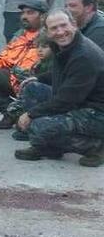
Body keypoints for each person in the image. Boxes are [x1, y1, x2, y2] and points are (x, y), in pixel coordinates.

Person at [14, 10, 104, 167]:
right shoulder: (62, 46)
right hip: (79, 102)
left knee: (39, 125)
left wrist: (30, 114)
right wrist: (38, 78)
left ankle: (96, 146)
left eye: (64, 25)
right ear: (47, 32)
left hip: (97, 113)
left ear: (74, 25)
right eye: (54, 28)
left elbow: (66, 101)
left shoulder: (84, 55)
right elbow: (66, 74)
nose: (60, 32)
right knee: (32, 88)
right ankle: (48, 146)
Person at [0, 0, 46, 128]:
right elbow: (5, 57)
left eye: (30, 13)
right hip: (15, 80)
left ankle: (32, 117)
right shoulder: (19, 35)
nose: (24, 16)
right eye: (23, 13)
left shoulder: (49, 36)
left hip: (37, 82)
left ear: (43, 16)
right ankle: (11, 114)